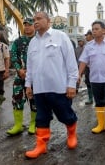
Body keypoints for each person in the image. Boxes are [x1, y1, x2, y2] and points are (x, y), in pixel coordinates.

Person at [25, 11, 78, 159]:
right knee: (41, 117)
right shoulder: (33, 42)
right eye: (34, 19)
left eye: (39, 19)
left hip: (59, 87)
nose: (35, 21)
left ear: (48, 21)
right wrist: (28, 85)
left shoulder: (60, 37)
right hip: (39, 88)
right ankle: (41, 145)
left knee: (65, 115)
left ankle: (72, 133)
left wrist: (72, 84)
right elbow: (30, 66)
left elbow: (71, 62)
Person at [7, 18, 36, 136]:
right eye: (25, 25)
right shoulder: (18, 42)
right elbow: (13, 56)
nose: (27, 27)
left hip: (35, 76)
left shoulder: (38, 40)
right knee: (17, 98)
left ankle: (34, 124)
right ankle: (18, 125)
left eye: (30, 25)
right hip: (20, 75)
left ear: (34, 26)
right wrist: (19, 69)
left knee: (34, 99)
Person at [83, 30, 94, 105]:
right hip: (88, 67)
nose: (86, 37)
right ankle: (90, 98)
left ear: (91, 35)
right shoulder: (86, 45)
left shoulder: (96, 43)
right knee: (88, 82)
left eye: (87, 35)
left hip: (95, 67)